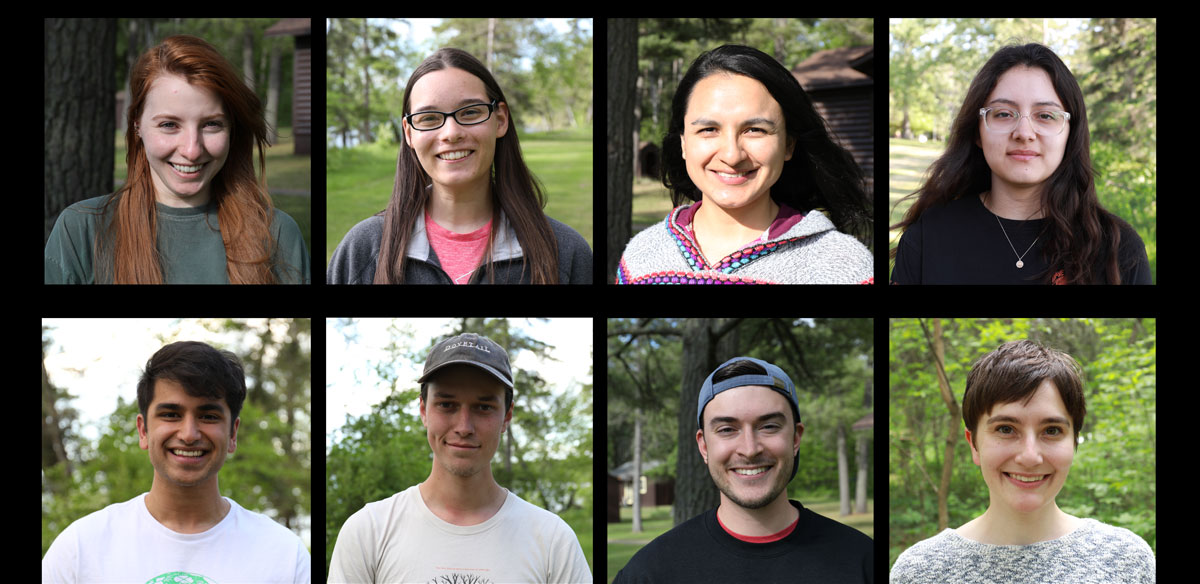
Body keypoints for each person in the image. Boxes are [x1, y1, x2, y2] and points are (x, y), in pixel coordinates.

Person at [44, 34, 310, 284]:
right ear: (137, 126)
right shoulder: (81, 231)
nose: (192, 150)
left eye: (211, 124)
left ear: (232, 128)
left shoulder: (277, 234)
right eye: (170, 124)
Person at [328, 333, 591, 583]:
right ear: (423, 410)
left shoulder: (553, 540)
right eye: (447, 405)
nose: (464, 427)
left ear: (507, 416)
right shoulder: (368, 532)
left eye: (484, 407)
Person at [42, 341, 311, 584]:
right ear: (143, 430)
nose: (189, 434)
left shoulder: (283, 555)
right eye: (171, 414)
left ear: (232, 434)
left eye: (208, 416)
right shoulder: (80, 549)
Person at [889, 340, 1155, 584]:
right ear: (973, 443)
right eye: (1006, 429)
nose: (1030, 457)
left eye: (1051, 430)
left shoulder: (1128, 561)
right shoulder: (919, 571)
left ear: (1074, 442)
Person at [890, 43, 1150, 284]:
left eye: (1045, 115)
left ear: (1071, 133)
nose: (1024, 132)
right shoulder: (928, 237)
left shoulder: (1119, 248)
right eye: (1003, 114)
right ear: (977, 131)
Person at [328, 48, 592, 284]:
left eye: (469, 112)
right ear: (408, 133)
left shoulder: (566, 252)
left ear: (500, 120)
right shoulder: (362, 248)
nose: (451, 133)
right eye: (429, 118)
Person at [616, 44, 873, 284]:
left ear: (788, 145)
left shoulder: (845, 265)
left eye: (754, 130)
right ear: (683, 143)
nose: (732, 155)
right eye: (708, 129)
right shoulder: (641, 255)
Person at [613, 357, 873, 583]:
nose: (750, 449)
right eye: (727, 429)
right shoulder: (649, 573)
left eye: (769, 426)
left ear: (795, 438)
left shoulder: (862, 561)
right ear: (704, 446)